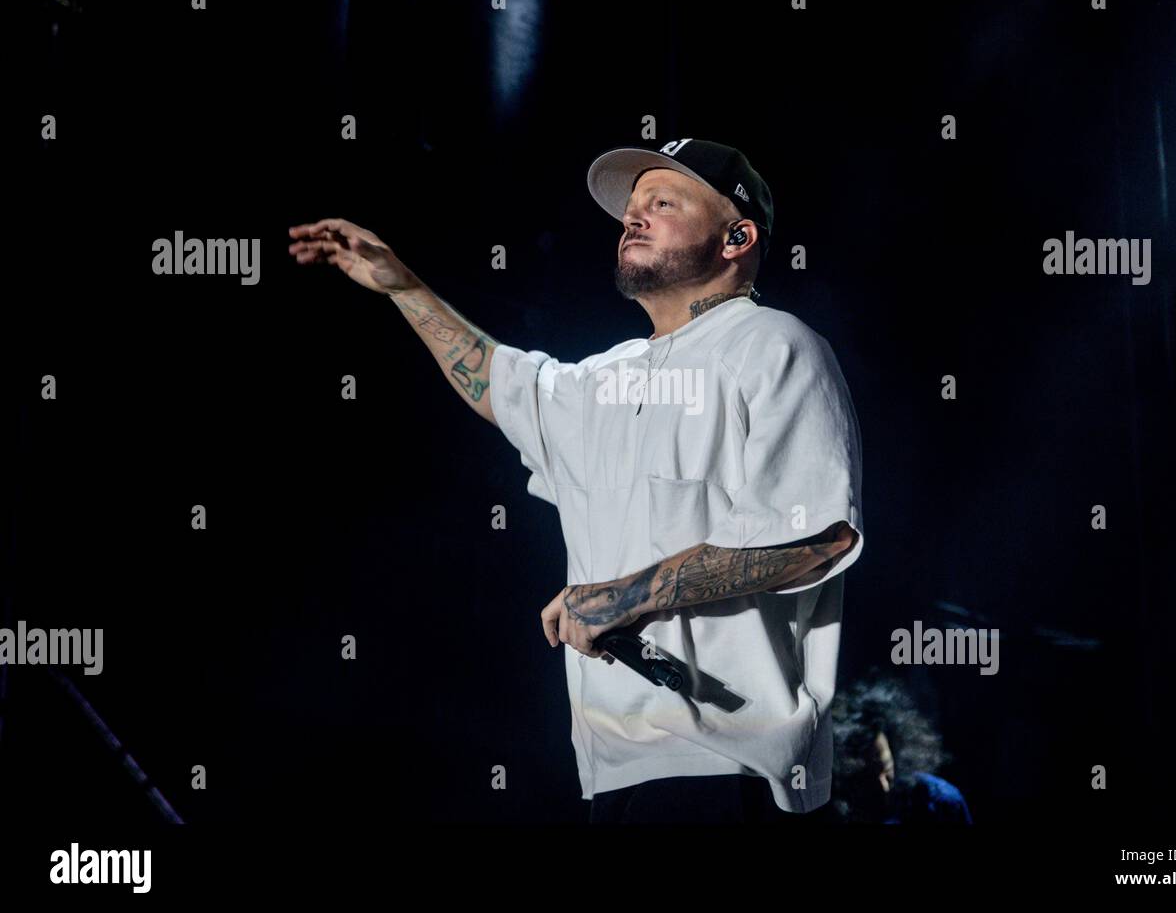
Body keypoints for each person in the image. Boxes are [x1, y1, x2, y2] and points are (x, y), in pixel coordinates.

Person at [288, 138, 866, 823]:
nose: (634, 218)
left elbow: (816, 538)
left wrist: (624, 598)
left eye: (663, 203)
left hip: (732, 768)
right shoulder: (602, 378)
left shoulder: (776, 345)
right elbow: (499, 382)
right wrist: (403, 286)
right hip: (613, 771)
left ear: (737, 236)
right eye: (630, 209)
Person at [830, 674, 973, 823]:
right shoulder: (838, 811)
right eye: (868, 780)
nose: (884, 787)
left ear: (894, 750)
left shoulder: (941, 802)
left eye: (887, 772)